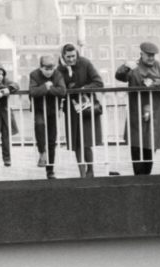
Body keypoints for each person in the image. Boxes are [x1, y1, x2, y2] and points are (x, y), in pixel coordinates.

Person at [116, 42, 160, 175]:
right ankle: (139, 179)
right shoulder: (133, 67)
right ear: (141, 54)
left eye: (153, 55)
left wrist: (155, 83)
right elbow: (119, 76)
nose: (151, 58)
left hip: (154, 115)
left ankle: (146, 178)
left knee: (149, 150)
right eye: (148, 55)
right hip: (136, 115)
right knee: (136, 148)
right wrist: (125, 67)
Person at [60, 43, 104, 178]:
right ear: (63, 56)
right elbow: (59, 86)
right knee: (76, 141)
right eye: (68, 57)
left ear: (77, 54)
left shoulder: (85, 63)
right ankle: (82, 173)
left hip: (87, 107)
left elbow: (99, 82)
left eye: (73, 56)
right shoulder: (60, 69)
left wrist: (84, 89)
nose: (71, 59)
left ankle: (91, 170)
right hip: (72, 108)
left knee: (87, 141)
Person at [29, 54, 66, 179]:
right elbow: (33, 92)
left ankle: (50, 170)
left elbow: (62, 91)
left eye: (51, 68)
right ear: (41, 68)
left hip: (53, 111)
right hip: (39, 109)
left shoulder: (58, 74)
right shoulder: (34, 75)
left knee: (52, 140)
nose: (49, 72)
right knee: (39, 126)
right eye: (46, 69)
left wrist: (49, 89)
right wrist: (45, 86)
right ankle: (42, 152)